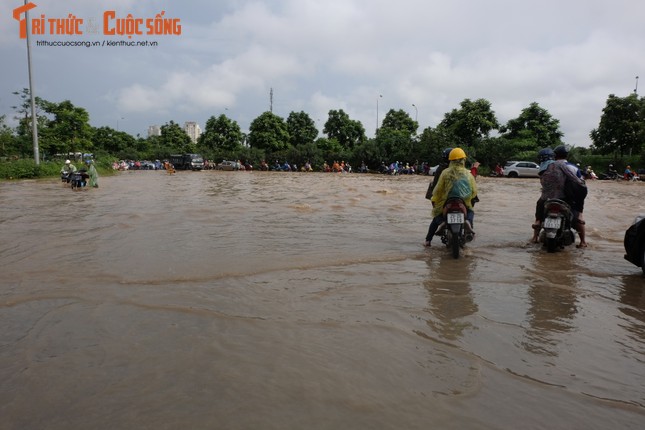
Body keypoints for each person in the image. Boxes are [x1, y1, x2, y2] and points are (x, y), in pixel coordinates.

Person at [531, 148, 587, 247]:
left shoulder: (542, 168)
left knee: (539, 207)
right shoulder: (564, 165)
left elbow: (543, 183)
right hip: (563, 197)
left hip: (546, 197)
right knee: (576, 214)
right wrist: (581, 183)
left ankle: (535, 235)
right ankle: (583, 241)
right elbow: (572, 177)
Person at [425, 148, 477, 247]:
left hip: (447, 201)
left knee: (436, 213)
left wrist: (435, 198)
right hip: (463, 201)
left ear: (450, 160)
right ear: (463, 160)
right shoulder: (467, 173)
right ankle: (468, 223)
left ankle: (430, 237)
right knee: (470, 211)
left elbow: (437, 189)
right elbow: (474, 191)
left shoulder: (444, 171)